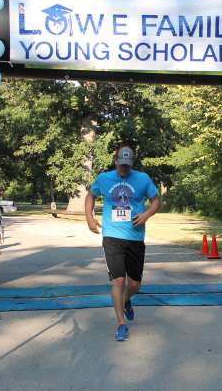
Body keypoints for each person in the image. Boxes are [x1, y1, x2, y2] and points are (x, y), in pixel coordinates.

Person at [85, 146, 161, 341]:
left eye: (127, 166)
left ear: (132, 164)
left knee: (134, 284)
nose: (124, 170)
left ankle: (126, 300)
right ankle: (121, 324)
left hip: (135, 237)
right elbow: (90, 195)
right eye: (121, 165)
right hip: (112, 236)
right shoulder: (103, 178)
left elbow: (155, 200)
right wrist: (89, 218)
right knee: (118, 281)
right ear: (115, 161)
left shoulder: (143, 179)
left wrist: (146, 214)